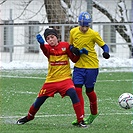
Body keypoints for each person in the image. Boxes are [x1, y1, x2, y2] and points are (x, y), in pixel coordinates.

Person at [16, 28, 88, 128]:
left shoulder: (65, 46)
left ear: (57, 37)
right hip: (51, 81)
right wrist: (41, 44)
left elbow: (74, 59)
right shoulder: (48, 48)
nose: (50, 40)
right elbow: (45, 51)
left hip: (65, 79)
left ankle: (80, 120)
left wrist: (79, 53)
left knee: (73, 93)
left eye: (52, 37)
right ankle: (29, 116)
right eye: (48, 38)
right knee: (39, 100)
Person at [69, 12, 110, 125]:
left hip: (92, 66)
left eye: (87, 26)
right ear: (79, 24)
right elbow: (70, 45)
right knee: (76, 90)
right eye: (82, 26)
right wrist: (73, 50)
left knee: (89, 91)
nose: (84, 28)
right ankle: (80, 117)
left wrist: (106, 52)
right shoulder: (73, 32)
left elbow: (104, 45)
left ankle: (94, 113)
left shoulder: (93, 34)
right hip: (78, 67)